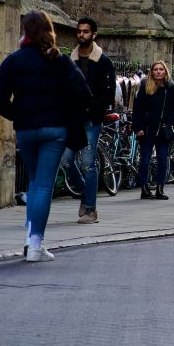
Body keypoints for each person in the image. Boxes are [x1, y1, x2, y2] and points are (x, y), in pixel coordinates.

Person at [0, 10, 91, 262]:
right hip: (54, 130)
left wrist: (18, 114)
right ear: (49, 30)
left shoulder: (14, 61)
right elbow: (84, 94)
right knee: (44, 185)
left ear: (25, 31)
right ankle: (35, 244)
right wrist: (66, 111)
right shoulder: (60, 60)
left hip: (27, 129)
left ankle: (29, 239)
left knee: (34, 182)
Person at [63, 17, 116, 224]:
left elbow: (108, 93)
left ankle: (91, 210)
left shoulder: (104, 62)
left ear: (94, 34)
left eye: (85, 32)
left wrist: (93, 108)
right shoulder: (70, 60)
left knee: (88, 163)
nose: (81, 35)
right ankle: (86, 192)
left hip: (92, 120)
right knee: (66, 159)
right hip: (73, 118)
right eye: (79, 31)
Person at [133, 61, 174, 200]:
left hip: (163, 129)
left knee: (162, 159)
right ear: (151, 72)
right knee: (145, 159)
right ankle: (144, 188)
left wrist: (168, 122)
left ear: (165, 72)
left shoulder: (169, 87)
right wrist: (138, 127)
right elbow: (138, 108)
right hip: (147, 128)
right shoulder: (145, 86)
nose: (158, 72)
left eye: (161, 69)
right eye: (156, 69)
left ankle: (160, 188)